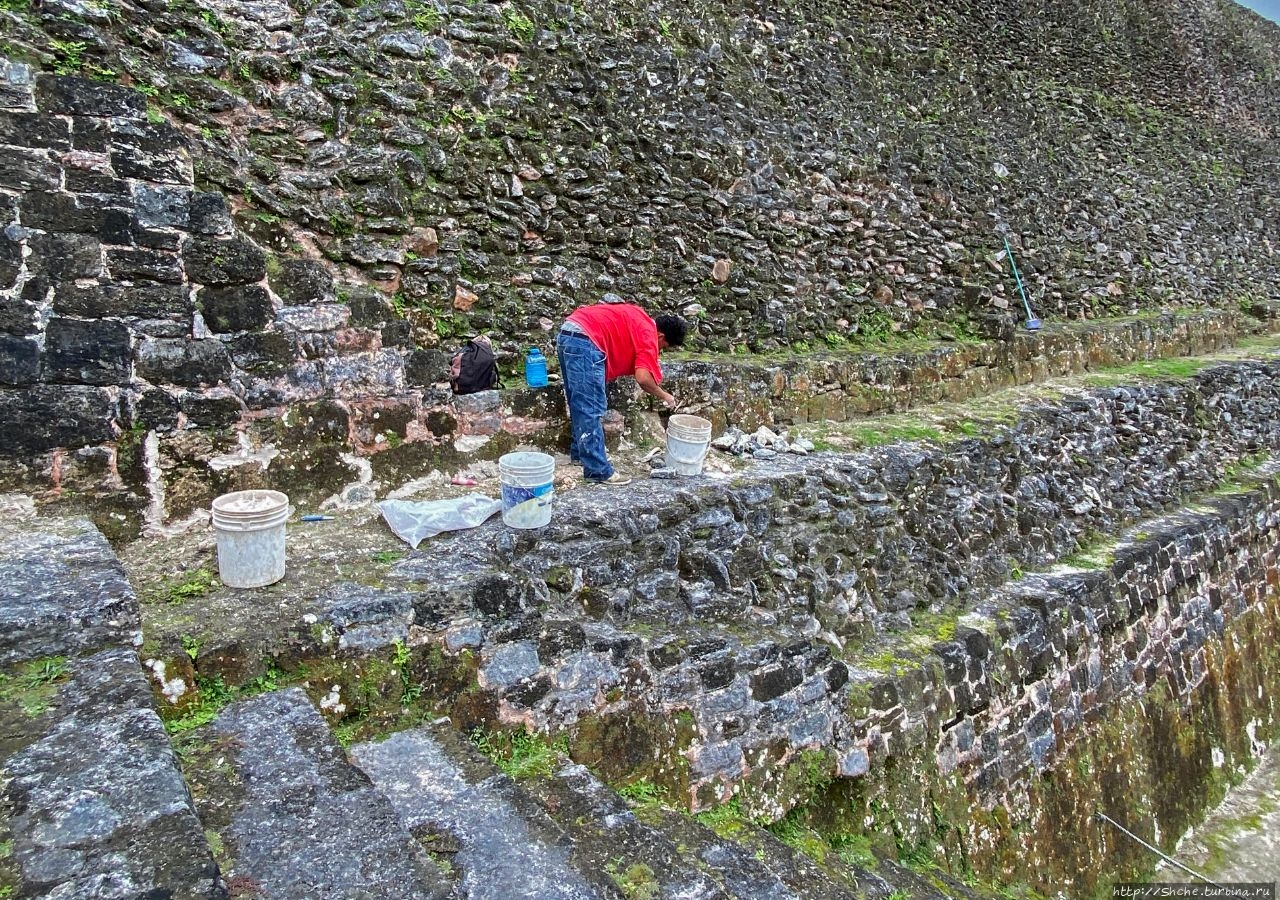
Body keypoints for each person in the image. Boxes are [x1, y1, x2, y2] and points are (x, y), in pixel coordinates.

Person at [556, 302, 687, 485]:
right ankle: (597, 471)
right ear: (661, 335)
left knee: (579, 401)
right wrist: (665, 396)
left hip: (569, 332)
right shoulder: (649, 334)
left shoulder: (639, 316)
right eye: (663, 347)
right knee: (591, 407)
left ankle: (579, 454)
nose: (660, 351)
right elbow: (643, 378)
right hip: (586, 340)